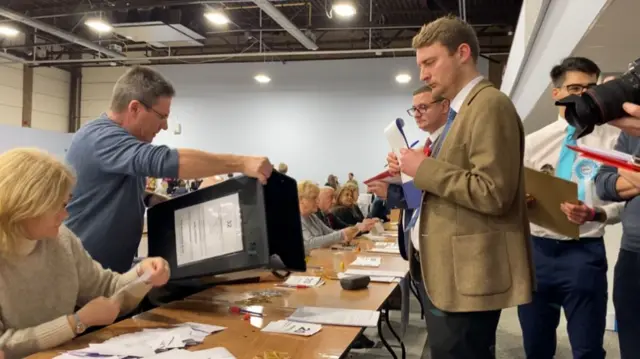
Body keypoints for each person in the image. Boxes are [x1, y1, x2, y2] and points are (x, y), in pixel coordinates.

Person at [391, 15, 534, 359]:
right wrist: (413, 173)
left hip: (467, 274)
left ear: (463, 53)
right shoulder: (463, 111)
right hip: (449, 272)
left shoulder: (489, 105)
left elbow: (493, 191)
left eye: (430, 62)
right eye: (420, 65)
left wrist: (423, 168)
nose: (423, 74)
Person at [65, 66, 273, 273]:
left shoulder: (116, 142)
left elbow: (108, 190)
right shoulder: (100, 138)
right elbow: (166, 161)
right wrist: (242, 163)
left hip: (108, 273)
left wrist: (156, 201)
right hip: (82, 279)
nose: (164, 126)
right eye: (161, 116)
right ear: (135, 108)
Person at [0, 148, 170, 359]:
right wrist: (76, 323)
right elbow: (4, 345)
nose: (65, 214)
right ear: (26, 206)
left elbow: (106, 289)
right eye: (59, 206)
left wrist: (143, 275)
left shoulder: (62, 239)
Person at [519, 57, 623, 359]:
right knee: (536, 346)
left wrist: (597, 213)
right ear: (557, 94)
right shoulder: (532, 142)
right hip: (536, 252)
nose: (583, 96)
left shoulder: (613, 141)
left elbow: (623, 200)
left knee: (588, 348)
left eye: (590, 88)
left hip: (584, 254)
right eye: (574, 87)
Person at [370, 85, 450, 261]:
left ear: (444, 106)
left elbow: (433, 195)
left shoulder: (449, 146)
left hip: (440, 248)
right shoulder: (426, 146)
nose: (417, 114)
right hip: (422, 249)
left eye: (423, 107)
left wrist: (390, 192)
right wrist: (399, 172)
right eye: (414, 109)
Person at [594, 109, 640, 358]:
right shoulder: (631, 133)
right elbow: (603, 183)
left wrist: (626, 171)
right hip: (632, 253)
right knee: (632, 345)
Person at [297, 181, 359, 254]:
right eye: (314, 198)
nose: (318, 201)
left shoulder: (312, 216)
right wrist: (342, 234)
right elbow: (309, 244)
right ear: (301, 200)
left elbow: (329, 232)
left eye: (317, 198)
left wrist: (347, 234)